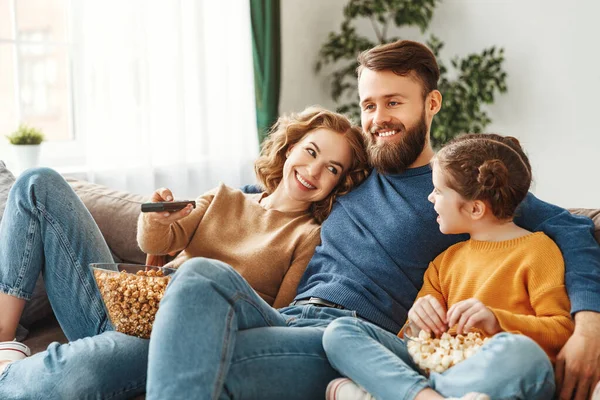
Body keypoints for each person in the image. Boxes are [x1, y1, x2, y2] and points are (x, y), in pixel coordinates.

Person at [142, 40, 600, 400]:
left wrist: (588, 328)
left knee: (186, 355)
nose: (378, 118)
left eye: (393, 102)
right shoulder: (349, 172)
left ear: (432, 103)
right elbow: (270, 195)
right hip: (285, 317)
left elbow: (575, 227)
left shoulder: (462, 186)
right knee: (200, 276)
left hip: (351, 338)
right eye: (368, 105)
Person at [0, 106, 369, 398]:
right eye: (311, 152)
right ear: (290, 149)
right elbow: (157, 244)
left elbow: (277, 320)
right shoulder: (225, 197)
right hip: (128, 302)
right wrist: (160, 216)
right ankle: (4, 339)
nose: (314, 171)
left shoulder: (308, 236)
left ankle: (11, 378)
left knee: (72, 377)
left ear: (337, 184)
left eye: (332, 169)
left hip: (175, 332)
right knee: (37, 183)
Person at [322, 133, 574, 400]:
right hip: (435, 373)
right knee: (341, 331)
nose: (430, 198)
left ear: (475, 209)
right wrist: (417, 323)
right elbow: (412, 344)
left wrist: (496, 322)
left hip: (493, 372)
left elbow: (561, 331)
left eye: (438, 191)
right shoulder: (445, 261)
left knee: (524, 355)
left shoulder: (537, 251)